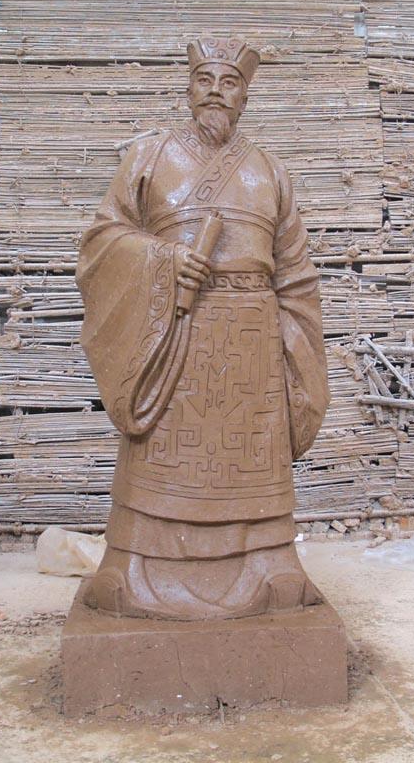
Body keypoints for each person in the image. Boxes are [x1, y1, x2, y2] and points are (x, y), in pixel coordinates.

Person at [76, 36, 330, 620]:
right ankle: (138, 569)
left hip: (252, 347)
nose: (216, 91)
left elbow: (295, 274)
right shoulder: (148, 157)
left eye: (230, 82)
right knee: (162, 453)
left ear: (245, 97)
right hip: (173, 335)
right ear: (189, 89)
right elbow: (101, 241)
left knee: (250, 463)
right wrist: (162, 262)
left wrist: (298, 354)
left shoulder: (270, 171)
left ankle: (268, 566)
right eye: (205, 80)